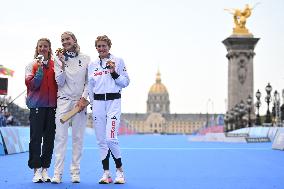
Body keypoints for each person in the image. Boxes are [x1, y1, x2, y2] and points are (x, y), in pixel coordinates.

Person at [88, 35, 130, 184]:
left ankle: (120, 172)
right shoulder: (92, 65)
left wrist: (113, 73)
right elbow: (90, 86)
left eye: (104, 45)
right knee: (101, 141)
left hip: (113, 102)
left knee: (111, 138)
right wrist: (92, 104)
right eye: (98, 46)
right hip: (98, 104)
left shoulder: (118, 61)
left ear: (109, 46)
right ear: (96, 48)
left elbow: (126, 82)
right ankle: (106, 173)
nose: (101, 48)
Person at [51, 31, 90, 184]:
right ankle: (57, 174)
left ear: (74, 40)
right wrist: (61, 63)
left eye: (67, 39)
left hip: (79, 104)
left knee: (78, 138)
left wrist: (83, 98)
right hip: (63, 102)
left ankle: (75, 173)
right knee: (60, 138)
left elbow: (88, 82)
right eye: (62, 40)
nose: (65, 41)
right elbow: (60, 82)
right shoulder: (58, 59)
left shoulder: (86, 58)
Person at [25, 38, 57, 183]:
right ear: (37, 48)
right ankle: (36, 170)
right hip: (37, 106)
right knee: (36, 138)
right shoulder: (30, 65)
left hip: (52, 107)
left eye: (46, 46)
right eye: (40, 46)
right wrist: (39, 68)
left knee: (49, 139)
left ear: (49, 49)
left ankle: (45, 168)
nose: (43, 48)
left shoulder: (55, 64)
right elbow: (33, 85)